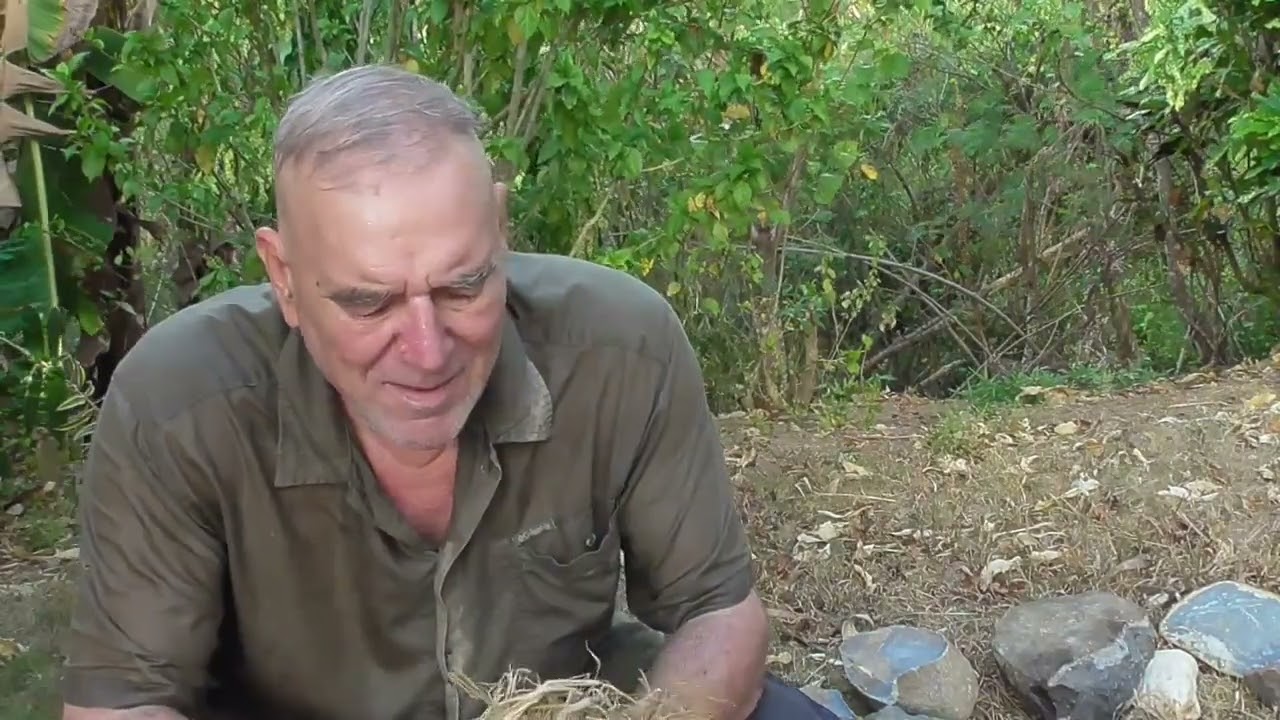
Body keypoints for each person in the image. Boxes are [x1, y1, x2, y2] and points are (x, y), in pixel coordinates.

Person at [60, 64, 838, 720]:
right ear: (284, 279)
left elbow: (718, 614)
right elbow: (124, 700)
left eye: (464, 287)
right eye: (368, 303)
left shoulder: (620, 348)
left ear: (499, 230)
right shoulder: (178, 401)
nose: (428, 351)